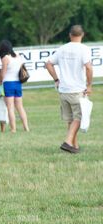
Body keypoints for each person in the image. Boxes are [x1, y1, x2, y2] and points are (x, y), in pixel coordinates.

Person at [45, 25, 93, 154]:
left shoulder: (62, 49)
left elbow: (48, 63)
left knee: (70, 120)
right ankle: (67, 141)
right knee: (79, 117)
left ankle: (74, 146)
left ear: (70, 35)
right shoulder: (84, 49)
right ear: (82, 35)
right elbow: (88, 67)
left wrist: (56, 79)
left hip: (63, 90)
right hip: (77, 90)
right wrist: (89, 85)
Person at [0, 40, 30, 133]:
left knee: (10, 107)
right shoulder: (18, 56)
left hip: (8, 83)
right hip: (18, 83)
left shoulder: (5, 58)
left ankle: (13, 129)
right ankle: (26, 127)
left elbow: (3, 73)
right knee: (20, 106)